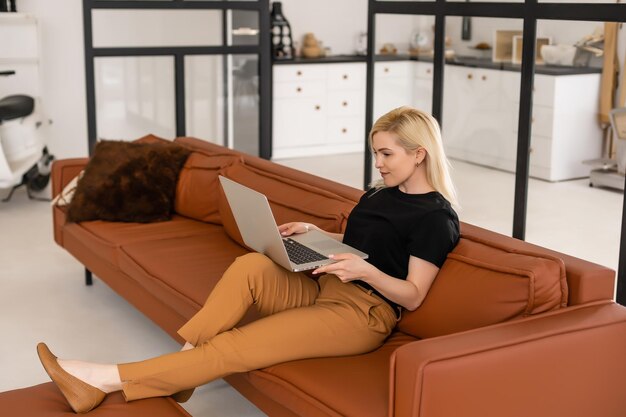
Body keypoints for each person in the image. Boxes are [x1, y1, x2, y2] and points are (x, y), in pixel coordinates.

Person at [36, 106, 460, 414]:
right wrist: (315, 233)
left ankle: (100, 379)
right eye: (375, 153)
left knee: (234, 344)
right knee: (251, 266)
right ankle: (185, 363)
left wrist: (365, 271)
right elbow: (361, 240)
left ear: (419, 153)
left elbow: (414, 294)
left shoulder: (435, 218)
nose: (378, 163)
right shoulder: (379, 193)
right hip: (323, 283)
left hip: (363, 313)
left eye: (387, 154)